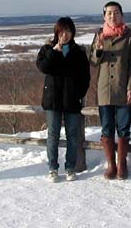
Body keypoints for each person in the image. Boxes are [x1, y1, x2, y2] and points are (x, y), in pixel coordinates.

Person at [36, 17, 90, 182]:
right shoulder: (47, 49)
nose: (64, 35)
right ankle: (53, 168)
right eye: (61, 31)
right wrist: (55, 50)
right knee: (53, 134)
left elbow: (85, 77)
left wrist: (78, 93)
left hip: (72, 100)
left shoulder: (79, 52)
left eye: (67, 31)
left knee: (73, 135)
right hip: (53, 100)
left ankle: (70, 167)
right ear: (56, 32)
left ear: (72, 32)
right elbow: (43, 67)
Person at [89, 1, 131, 180]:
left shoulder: (130, 35)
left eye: (116, 12)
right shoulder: (99, 34)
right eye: (109, 13)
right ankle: (111, 164)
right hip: (104, 90)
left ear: (121, 15)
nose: (112, 16)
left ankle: (122, 163)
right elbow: (93, 62)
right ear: (104, 16)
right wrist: (99, 50)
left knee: (124, 129)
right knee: (106, 128)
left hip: (122, 89)